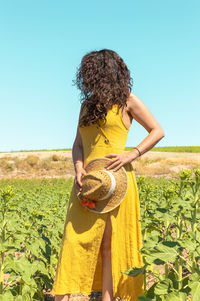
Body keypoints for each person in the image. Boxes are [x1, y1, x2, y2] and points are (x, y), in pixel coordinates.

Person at [51, 48, 165, 301]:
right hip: (88, 183)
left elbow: (157, 130)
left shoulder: (128, 100)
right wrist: (79, 167)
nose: (88, 79)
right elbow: (78, 144)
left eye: (92, 73)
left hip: (117, 183)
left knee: (109, 245)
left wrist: (132, 154)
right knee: (73, 240)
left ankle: (108, 298)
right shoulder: (86, 106)